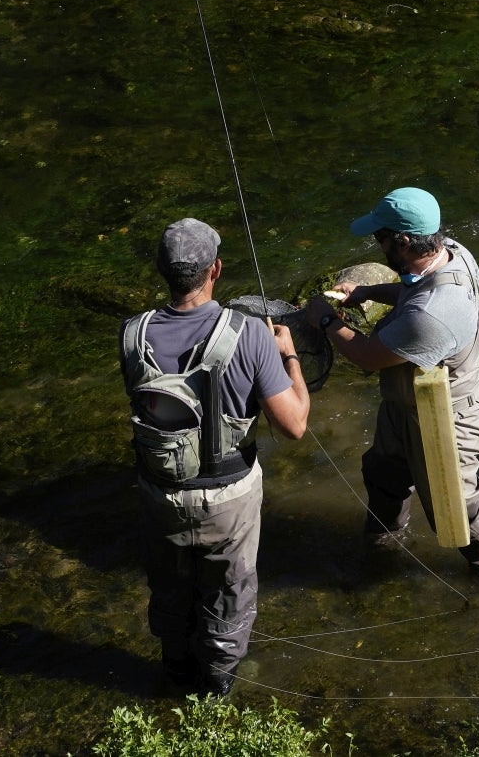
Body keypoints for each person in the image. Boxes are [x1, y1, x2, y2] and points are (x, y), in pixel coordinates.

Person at [119, 218, 310, 696]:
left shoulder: (130, 333)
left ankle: (175, 674)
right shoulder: (250, 334)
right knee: (227, 594)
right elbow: (294, 427)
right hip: (228, 498)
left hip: (159, 492)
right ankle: (216, 690)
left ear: (162, 270)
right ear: (216, 270)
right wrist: (288, 356)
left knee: (169, 587)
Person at [306, 187, 479, 584]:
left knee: (455, 507)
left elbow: (367, 356)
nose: (376, 244)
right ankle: (383, 544)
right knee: (383, 471)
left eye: (379, 238)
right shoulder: (450, 252)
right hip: (406, 403)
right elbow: (412, 288)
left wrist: (327, 321)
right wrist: (367, 292)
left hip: (447, 414)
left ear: (401, 241)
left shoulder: (435, 313)